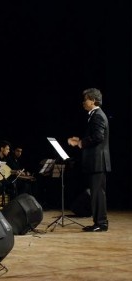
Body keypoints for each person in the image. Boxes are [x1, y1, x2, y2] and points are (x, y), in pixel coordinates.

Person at [68, 88, 110, 232]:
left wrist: (80, 143)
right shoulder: (95, 114)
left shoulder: (98, 115)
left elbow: (99, 137)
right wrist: (80, 140)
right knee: (97, 193)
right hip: (97, 161)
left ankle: (101, 223)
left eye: (85, 99)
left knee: (97, 194)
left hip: (98, 161)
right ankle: (100, 222)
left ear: (93, 100)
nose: (83, 102)